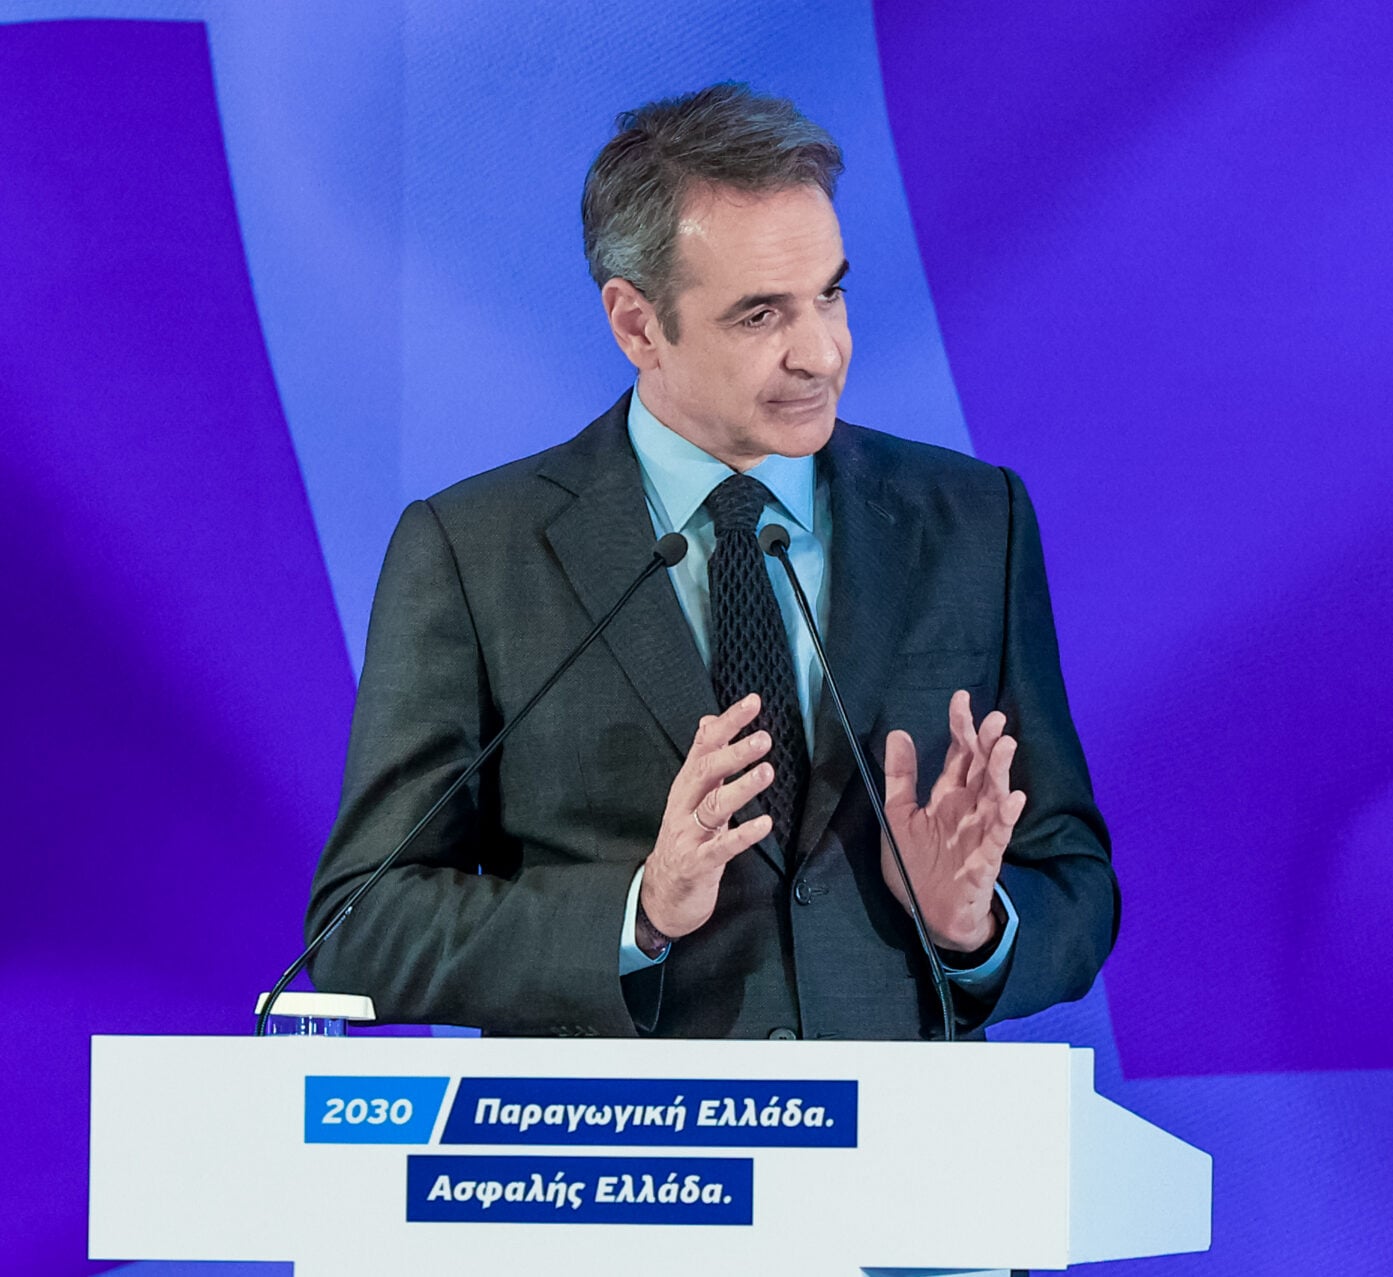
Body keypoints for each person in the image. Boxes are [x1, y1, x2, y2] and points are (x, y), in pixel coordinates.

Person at [306, 84, 1118, 1040]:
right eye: (760, 315)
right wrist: (638, 911)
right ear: (637, 324)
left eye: (830, 294)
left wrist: (972, 924)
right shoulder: (476, 551)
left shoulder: (974, 520)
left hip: (902, 1133)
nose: (821, 353)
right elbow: (364, 924)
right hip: (623, 1133)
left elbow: (1075, 882)